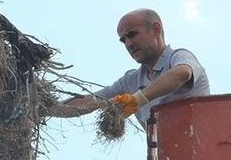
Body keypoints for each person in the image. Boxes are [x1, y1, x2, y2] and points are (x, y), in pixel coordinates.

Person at [52, 8, 209, 128]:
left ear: (156, 29)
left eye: (132, 35)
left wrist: (137, 100)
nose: (128, 44)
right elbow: (94, 100)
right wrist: (48, 108)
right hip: (164, 156)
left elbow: (182, 73)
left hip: (201, 148)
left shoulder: (177, 57)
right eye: (123, 40)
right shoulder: (132, 81)